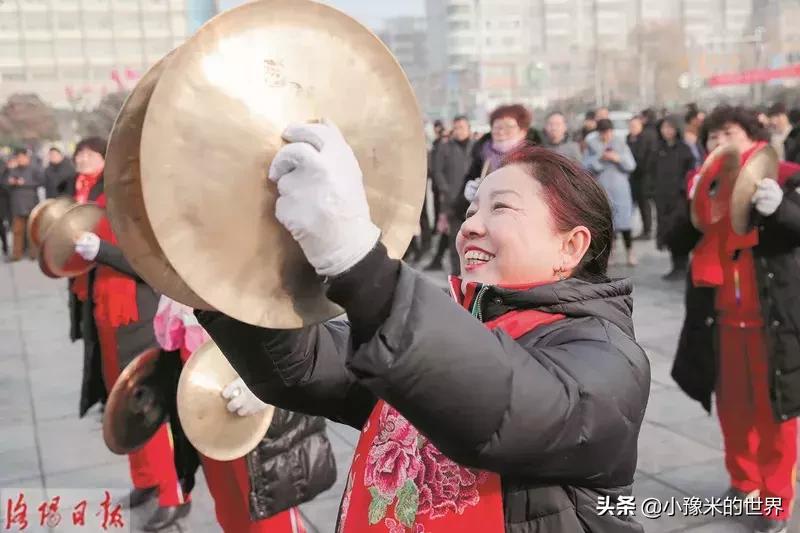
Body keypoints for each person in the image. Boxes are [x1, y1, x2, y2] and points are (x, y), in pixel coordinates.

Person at [197, 122, 650, 532]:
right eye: (472, 211)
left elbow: (505, 404)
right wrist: (222, 277)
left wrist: (357, 261)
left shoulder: (609, 356)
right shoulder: (447, 325)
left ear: (571, 246)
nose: (471, 226)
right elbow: (309, 365)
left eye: (502, 208)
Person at [672, 105, 800, 533]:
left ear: (751, 136)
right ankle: (743, 481)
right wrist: (697, 204)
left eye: (728, 133)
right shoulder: (699, 185)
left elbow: (795, 229)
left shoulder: (784, 176)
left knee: (776, 412)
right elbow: (673, 238)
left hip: (772, 319)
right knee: (733, 409)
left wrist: (780, 207)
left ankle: (776, 497)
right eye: (710, 137)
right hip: (720, 319)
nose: (718, 143)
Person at [66, 137, 191, 532]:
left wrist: (99, 249)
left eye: (90, 154)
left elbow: (150, 266)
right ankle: (146, 481)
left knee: (149, 405)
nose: (82, 160)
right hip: (105, 314)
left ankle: (175, 494)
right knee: (121, 400)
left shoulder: (140, 201)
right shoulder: (93, 195)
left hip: (137, 314)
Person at [152, 296, 336, 533]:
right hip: (201, 376)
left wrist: (271, 380)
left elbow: (294, 292)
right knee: (229, 505)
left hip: (251, 373)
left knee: (266, 510)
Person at [457, 104, 532, 215]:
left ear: (523, 131)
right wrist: (469, 196)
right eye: (497, 127)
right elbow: (462, 203)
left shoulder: (533, 159)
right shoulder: (481, 156)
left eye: (508, 127)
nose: (501, 131)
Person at [585, 118, 638, 266]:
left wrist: (617, 158)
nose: (605, 136)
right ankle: (610, 253)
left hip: (621, 188)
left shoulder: (620, 143)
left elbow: (631, 165)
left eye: (608, 132)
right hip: (602, 188)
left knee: (625, 222)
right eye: (602, 133)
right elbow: (585, 165)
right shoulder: (592, 144)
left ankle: (630, 252)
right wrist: (599, 159)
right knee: (607, 223)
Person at [651, 116, 696, 280]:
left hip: (679, 198)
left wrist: (683, 190)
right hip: (662, 197)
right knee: (667, 231)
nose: (666, 131)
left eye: (670, 127)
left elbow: (690, 172)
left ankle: (682, 266)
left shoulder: (684, 149)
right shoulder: (658, 149)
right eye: (664, 127)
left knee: (679, 229)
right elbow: (652, 171)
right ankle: (675, 266)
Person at [431, 115, 475, 274]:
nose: (459, 131)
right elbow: (437, 171)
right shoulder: (446, 147)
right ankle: (457, 274)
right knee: (456, 240)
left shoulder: (475, 147)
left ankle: (473, 274)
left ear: (469, 129)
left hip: (473, 202)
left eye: (462, 127)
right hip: (452, 201)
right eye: (456, 128)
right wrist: (445, 190)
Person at [4, 148, 42, 261]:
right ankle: (17, 254)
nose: (20, 160)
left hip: (31, 203)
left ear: (27, 158)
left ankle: (33, 253)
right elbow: (4, 183)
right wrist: (10, 181)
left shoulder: (34, 169)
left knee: (32, 230)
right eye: (18, 157)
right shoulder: (12, 170)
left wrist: (25, 183)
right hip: (16, 204)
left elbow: (41, 181)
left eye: (22, 157)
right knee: (17, 231)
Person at [627, 116, 654, 240]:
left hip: (644, 176)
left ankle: (647, 230)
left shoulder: (645, 138)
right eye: (631, 126)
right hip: (632, 175)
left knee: (644, 204)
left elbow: (642, 156)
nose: (633, 129)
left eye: (635, 126)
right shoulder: (628, 138)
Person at [684, 103, 706, 168]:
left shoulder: (701, 133)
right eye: (699, 120)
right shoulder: (688, 136)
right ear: (692, 120)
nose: (702, 122)